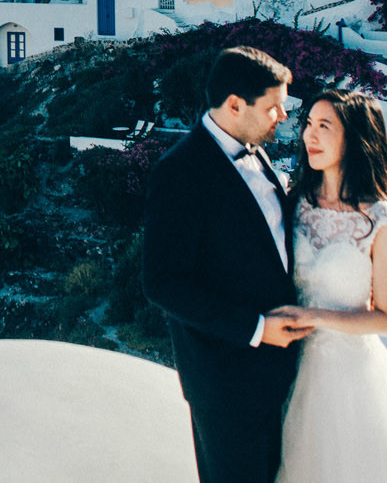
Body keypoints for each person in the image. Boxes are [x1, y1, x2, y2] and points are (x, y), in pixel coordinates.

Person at [267, 92, 387, 483]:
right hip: (288, 368)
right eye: (308, 124)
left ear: (354, 138)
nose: (310, 136)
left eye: (325, 127)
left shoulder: (380, 218)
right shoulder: (296, 202)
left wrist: (313, 316)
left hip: (350, 377)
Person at [142, 47, 308, 483]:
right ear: (235, 104)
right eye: (274, 107)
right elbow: (162, 283)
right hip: (226, 384)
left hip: (277, 375)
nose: (283, 117)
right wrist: (255, 329)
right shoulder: (179, 172)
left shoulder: (255, 150)